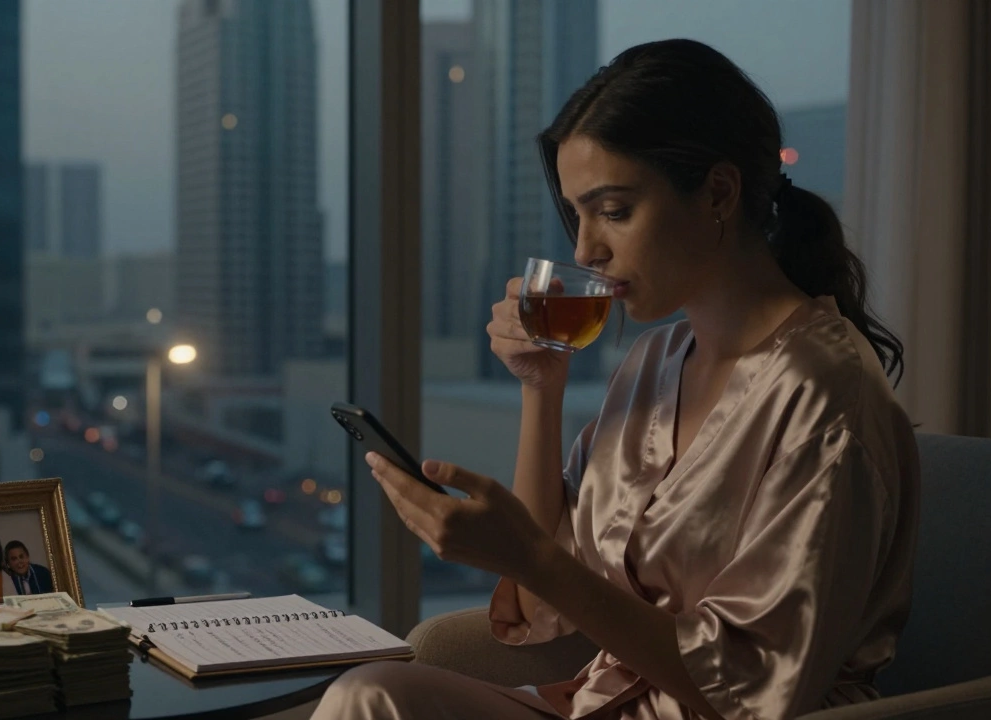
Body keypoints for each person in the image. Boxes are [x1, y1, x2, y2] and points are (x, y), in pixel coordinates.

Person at [312, 38, 919, 720]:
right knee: (369, 695)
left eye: (614, 211)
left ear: (718, 193)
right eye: (577, 215)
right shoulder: (653, 363)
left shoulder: (826, 393)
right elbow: (543, 608)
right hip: (604, 707)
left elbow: (756, 690)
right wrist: (541, 389)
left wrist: (537, 560)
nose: (583, 249)